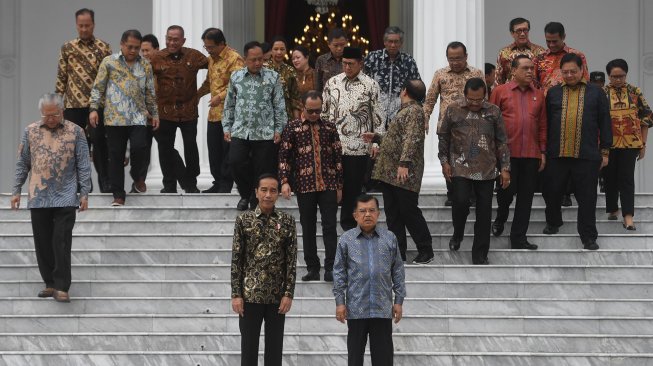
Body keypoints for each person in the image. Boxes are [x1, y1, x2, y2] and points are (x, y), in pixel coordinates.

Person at [11, 93, 92, 303]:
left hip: (65, 196)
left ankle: (62, 286)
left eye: (54, 114)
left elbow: (83, 164)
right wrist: (16, 190)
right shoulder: (30, 131)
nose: (50, 119)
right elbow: (23, 163)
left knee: (61, 241)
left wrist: (84, 193)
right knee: (43, 242)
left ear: (62, 111)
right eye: (46, 115)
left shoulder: (77, 132)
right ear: (41, 113)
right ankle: (49, 283)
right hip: (39, 196)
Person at [542, 53, 612, 250]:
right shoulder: (553, 93)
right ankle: (554, 222)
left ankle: (588, 236)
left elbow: (605, 123)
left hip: (587, 155)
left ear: (582, 70)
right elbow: (546, 123)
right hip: (557, 153)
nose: (570, 75)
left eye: (573, 71)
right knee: (552, 191)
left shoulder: (596, 93)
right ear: (560, 72)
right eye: (565, 72)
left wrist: (605, 151)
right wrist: (544, 150)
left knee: (587, 197)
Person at [438, 78, 511, 265]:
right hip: (460, 166)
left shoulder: (493, 111)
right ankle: (458, 233)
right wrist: (444, 161)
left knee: (485, 212)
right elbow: (444, 137)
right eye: (471, 99)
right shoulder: (453, 109)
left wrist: (505, 168)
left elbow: (502, 141)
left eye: (479, 100)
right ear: (465, 95)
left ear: (485, 96)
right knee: (460, 202)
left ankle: (480, 254)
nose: (475, 103)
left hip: (487, 169)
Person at [363, 79, 434, 264]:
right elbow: (397, 137)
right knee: (393, 213)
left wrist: (404, 163)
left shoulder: (414, 111)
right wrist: (378, 136)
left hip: (403, 172)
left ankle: (425, 249)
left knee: (408, 210)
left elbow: (412, 139)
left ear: (404, 91)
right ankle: (398, 252)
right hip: (390, 172)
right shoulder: (407, 110)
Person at [231, 173, 297, 366]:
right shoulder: (244, 220)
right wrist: (236, 294)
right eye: (264, 190)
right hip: (249, 296)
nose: (268, 194)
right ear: (256, 192)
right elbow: (237, 259)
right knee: (249, 351)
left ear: (278, 194)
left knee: (274, 352)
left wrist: (288, 293)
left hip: (277, 297)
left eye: (273, 190)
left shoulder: (287, 221)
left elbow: (291, 261)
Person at [333, 194, 406, 366]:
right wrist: (339, 302)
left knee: (384, 359)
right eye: (363, 211)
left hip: (382, 308)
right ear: (355, 215)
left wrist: (399, 301)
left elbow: (398, 270)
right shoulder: (346, 240)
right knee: (355, 358)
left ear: (378, 213)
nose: (367, 214)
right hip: (356, 308)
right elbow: (338, 273)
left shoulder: (390, 238)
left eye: (372, 210)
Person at [89, 29, 159, 206]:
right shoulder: (109, 62)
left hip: (138, 116)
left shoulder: (145, 65)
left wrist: (155, 113)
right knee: (116, 156)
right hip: (114, 118)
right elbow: (98, 87)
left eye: (137, 47)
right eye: (130, 47)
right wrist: (94, 109)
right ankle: (118, 195)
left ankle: (137, 177)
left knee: (140, 147)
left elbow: (150, 92)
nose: (133, 51)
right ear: (122, 45)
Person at [278, 91, 343, 282]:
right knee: (308, 227)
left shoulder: (330, 127)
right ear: (303, 107)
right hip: (304, 185)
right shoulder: (292, 128)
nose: (315, 115)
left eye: (318, 111)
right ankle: (312, 267)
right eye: (311, 111)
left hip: (329, 184)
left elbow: (338, 158)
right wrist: (284, 181)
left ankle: (331, 267)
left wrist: (340, 185)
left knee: (330, 226)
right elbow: (284, 156)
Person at [321, 46, 384, 231]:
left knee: (353, 187)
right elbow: (324, 113)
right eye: (344, 63)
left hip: (358, 145)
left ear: (360, 63)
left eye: (351, 64)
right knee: (332, 187)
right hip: (333, 145)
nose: (347, 67)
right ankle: (330, 224)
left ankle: (348, 226)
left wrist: (376, 141)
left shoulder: (370, 85)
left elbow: (378, 115)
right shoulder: (332, 83)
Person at [490, 55, 546, 250]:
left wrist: (543, 152)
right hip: (507, 154)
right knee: (506, 194)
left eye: (532, 68)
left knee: (526, 197)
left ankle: (518, 238)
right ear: (513, 71)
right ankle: (500, 217)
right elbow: (491, 123)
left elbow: (542, 125)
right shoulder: (499, 92)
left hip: (531, 154)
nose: (530, 71)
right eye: (525, 68)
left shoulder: (539, 94)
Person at [223, 41, 287, 211]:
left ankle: (253, 199)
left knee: (262, 169)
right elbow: (229, 104)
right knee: (235, 162)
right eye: (253, 60)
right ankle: (245, 193)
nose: (258, 63)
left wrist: (279, 129)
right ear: (245, 59)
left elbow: (279, 106)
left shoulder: (272, 77)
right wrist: (226, 127)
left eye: (260, 59)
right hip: (240, 130)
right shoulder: (236, 77)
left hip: (265, 132)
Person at [55, 8, 112, 193]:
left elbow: (109, 79)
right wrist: (57, 104)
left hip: (97, 105)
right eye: (81, 26)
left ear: (93, 24)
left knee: (100, 142)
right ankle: (83, 185)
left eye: (88, 25)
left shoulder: (104, 47)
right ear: (76, 25)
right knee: (77, 147)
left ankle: (106, 182)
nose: (84, 29)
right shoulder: (67, 47)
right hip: (73, 105)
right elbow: (61, 77)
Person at [424, 41, 484, 206]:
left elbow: (485, 98)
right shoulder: (440, 74)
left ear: (466, 57)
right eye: (451, 59)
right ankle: (452, 193)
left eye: (458, 58)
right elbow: (430, 99)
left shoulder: (477, 73)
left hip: (472, 125)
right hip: (447, 126)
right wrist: (425, 118)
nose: (455, 62)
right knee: (448, 160)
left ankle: (471, 193)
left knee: (472, 158)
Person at [149, 25, 208, 194]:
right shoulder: (156, 58)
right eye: (169, 38)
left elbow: (215, 66)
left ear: (183, 40)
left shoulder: (194, 56)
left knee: (191, 148)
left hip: (189, 111)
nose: (172, 42)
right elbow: (144, 79)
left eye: (176, 39)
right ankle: (169, 184)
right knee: (165, 149)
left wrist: (202, 92)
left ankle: (191, 183)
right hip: (165, 112)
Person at [603, 59, 652, 230]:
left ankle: (628, 216)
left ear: (626, 74)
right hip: (608, 143)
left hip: (631, 143)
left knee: (626, 179)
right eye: (614, 76)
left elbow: (646, 117)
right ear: (608, 76)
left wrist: (643, 144)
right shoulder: (602, 92)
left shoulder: (634, 91)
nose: (618, 79)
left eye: (621, 76)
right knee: (609, 177)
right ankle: (612, 208)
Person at [197, 27, 244, 193]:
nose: (208, 51)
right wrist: (197, 95)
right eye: (206, 47)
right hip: (214, 114)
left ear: (221, 43)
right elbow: (209, 82)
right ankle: (217, 181)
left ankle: (225, 184)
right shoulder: (212, 59)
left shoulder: (234, 58)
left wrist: (220, 97)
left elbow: (237, 84)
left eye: (211, 47)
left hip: (230, 114)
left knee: (227, 152)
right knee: (214, 149)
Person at [364, 26, 421, 126]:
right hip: (374, 115)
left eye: (396, 42)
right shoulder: (372, 58)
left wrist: (419, 114)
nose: (393, 45)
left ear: (401, 43)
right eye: (390, 41)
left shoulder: (408, 61)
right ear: (384, 42)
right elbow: (362, 84)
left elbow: (417, 89)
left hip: (401, 117)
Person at [535, 22, 589, 93]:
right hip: (545, 100)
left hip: (571, 99)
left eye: (554, 41)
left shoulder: (577, 55)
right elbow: (534, 84)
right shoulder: (540, 57)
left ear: (563, 37)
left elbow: (585, 81)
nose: (551, 45)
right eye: (548, 41)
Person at [494, 17, 546, 85]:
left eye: (525, 30)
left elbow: (544, 78)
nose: (522, 34)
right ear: (512, 33)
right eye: (519, 31)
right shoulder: (504, 53)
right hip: (510, 94)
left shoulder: (540, 52)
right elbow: (498, 79)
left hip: (533, 93)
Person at [267, 36, 302, 120]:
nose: (279, 52)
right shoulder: (264, 69)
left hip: (286, 116)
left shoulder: (290, 70)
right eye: (276, 49)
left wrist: (296, 119)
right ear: (271, 51)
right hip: (267, 116)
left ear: (286, 50)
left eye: (282, 49)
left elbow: (295, 97)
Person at [315, 28, 347, 93]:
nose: (339, 48)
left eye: (342, 45)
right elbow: (318, 87)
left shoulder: (353, 59)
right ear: (329, 44)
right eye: (336, 45)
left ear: (347, 42)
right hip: (328, 99)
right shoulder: (321, 60)